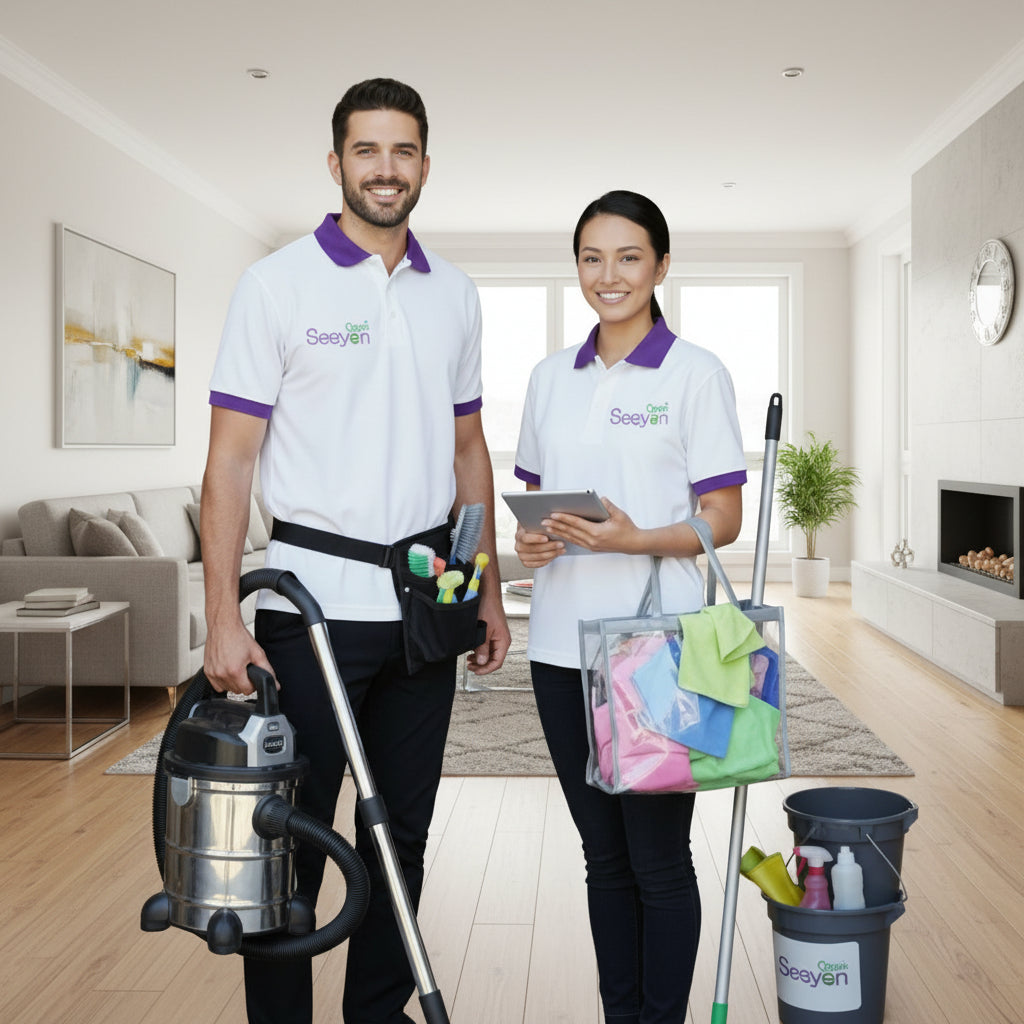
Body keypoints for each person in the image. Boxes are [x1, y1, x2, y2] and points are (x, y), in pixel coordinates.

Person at [200, 78, 510, 1024]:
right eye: (366, 151)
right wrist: (223, 616)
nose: (386, 169)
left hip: (425, 610)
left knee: (400, 835)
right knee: (287, 838)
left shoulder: (453, 294)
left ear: (425, 163)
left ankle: (375, 1012)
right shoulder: (278, 283)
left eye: (403, 150)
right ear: (336, 164)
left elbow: (468, 451)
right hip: (307, 612)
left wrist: (487, 589)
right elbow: (230, 462)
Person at [512, 190, 747, 1023]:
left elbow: (724, 518)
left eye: (628, 257)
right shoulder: (548, 379)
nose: (608, 276)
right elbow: (540, 509)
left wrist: (636, 539)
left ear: (661, 266)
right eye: (591, 257)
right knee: (600, 857)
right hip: (558, 651)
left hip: (660, 649)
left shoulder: (696, 374)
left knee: (656, 860)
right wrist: (533, 546)